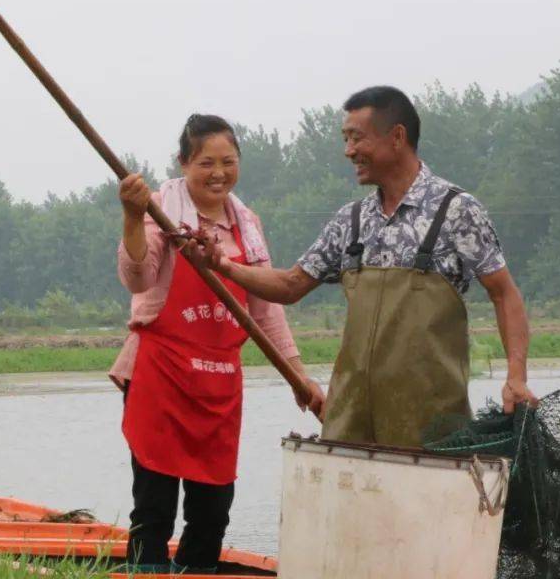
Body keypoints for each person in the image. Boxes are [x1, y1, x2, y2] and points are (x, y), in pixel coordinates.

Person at [189, 86, 537, 449]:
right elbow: (290, 285)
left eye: (357, 138)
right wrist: (223, 266)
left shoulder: (456, 211)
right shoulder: (351, 220)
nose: (348, 151)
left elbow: (504, 293)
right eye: (345, 139)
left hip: (432, 432)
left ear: (397, 137)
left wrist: (516, 377)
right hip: (349, 429)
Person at [110, 113, 324, 574]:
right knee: (153, 509)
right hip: (160, 375)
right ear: (184, 162)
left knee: (212, 510)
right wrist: (132, 215)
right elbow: (138, 276)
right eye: (206, 162)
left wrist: (298, 376)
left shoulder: (245, 224)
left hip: (218, 384)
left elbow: (266, 306)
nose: (218, 173)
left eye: (228, 161)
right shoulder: (161, 208)